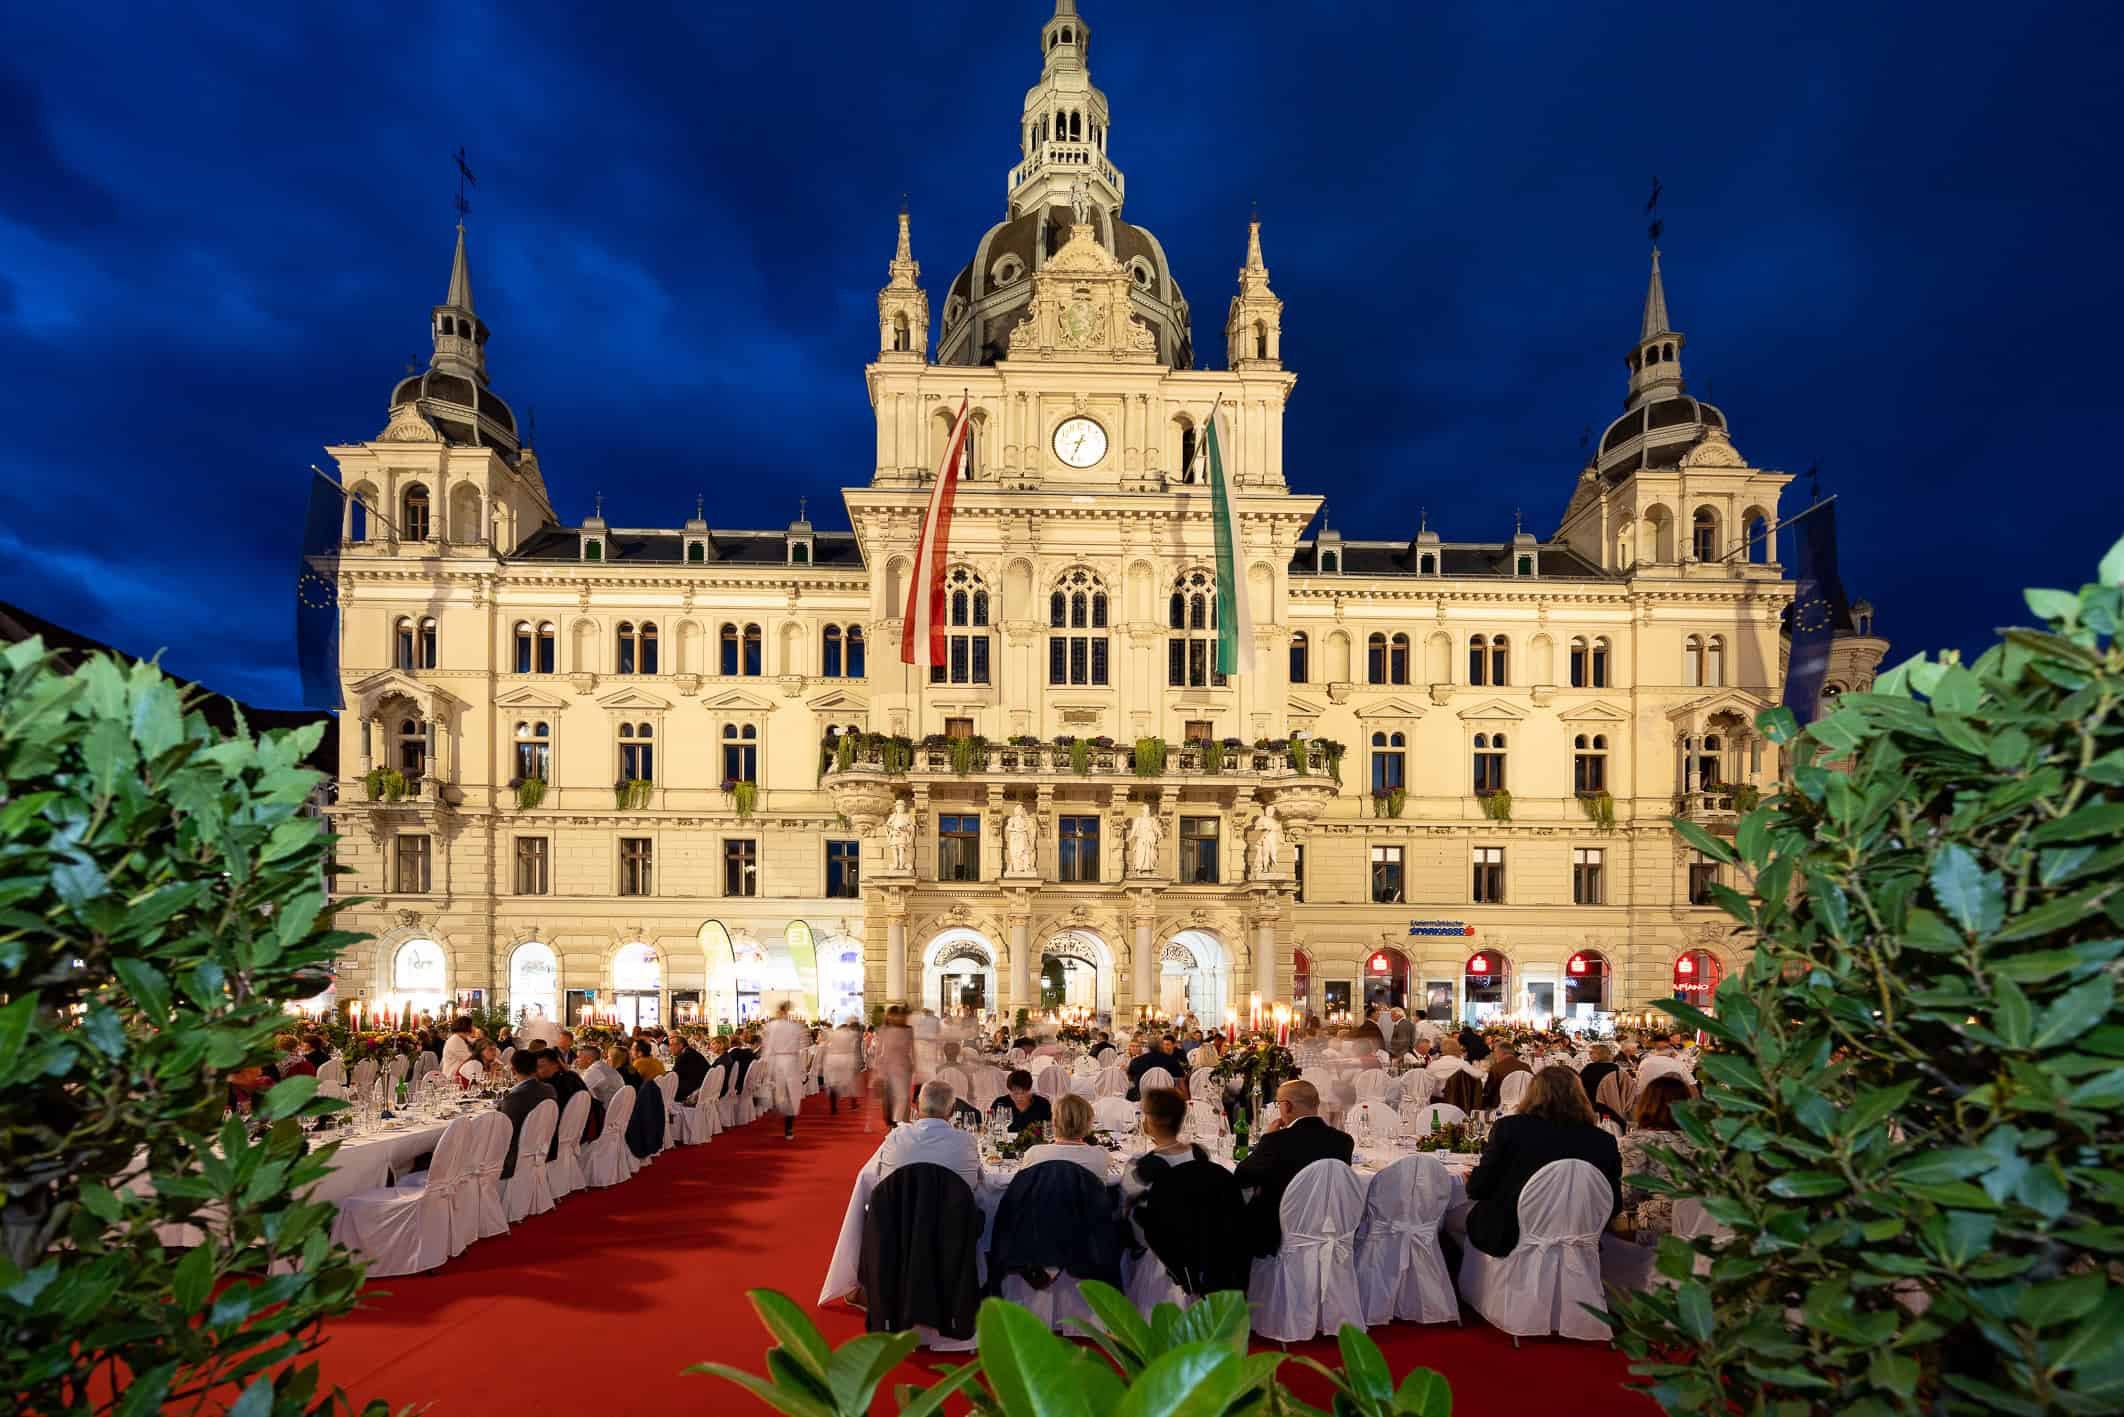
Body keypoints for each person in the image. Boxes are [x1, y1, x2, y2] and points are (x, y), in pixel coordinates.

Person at [1463, 1066, 1623, 1259]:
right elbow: (1613, 1204)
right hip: (1577, 1237)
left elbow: (1478, 1189)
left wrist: (1472, 1181)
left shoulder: (1509, 1129)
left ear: (1532, 1095)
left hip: (1512, 1236)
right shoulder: (1604, 1141)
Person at [1233, 1079, 1354, 1256]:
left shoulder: (1276, 1141)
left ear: (1287, 1106)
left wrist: (1266, 1139)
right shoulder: (1343, 1141)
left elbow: (1242, 1177)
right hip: (1327, 1224)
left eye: (1278, 1104)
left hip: (1279, 1229)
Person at [1618, 1075, 1695, 1241]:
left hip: (1656, 1228)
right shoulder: (1701, 1140)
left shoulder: (1638, 1141)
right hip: (1699, 1225)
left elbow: (1629, 1195)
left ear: (1647, 1104)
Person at [876, 1079, 982, 1193]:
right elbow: (976, 1183)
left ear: (917, 1106)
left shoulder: (895, 1138)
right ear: (952, 1110)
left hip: (899, 1204)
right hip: (954, 1204)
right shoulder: (966, 1142)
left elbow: (879, 1182)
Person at [495, 1049, 558, 1182]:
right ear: (536, 1068)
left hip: (515, 1156)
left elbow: (503, 1132)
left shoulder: (514, 1098)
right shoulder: (549, 1089)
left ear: (513, 1071)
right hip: (541, 1148)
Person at [1017, 1094, 1110, 1181]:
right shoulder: (1100, 1155)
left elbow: (1022, 1185)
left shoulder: (1034, 1154)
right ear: (1088, 1124)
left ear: (1054, 1122)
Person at [762, 1001, 808, 1139]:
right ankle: (789, 1127)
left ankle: (780, 1115)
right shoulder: (795, 1027)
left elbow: (768, 1046)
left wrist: (766, 1063)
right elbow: (803, 1046)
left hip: (778, 1061)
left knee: (780, 1093)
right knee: (791, 1095)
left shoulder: (772, 1026)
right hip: (791, 1061)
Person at [534, 1048, 587, 1157]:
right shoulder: (572, 1077)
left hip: (553, 1141)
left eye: (540, 1066)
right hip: (576, 1134)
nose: (536, 1071)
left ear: (555, 1065)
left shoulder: (552, 1086)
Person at [874, 1005, 915, 1128]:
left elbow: (913, 1049)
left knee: (903, 1096)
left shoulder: (909, 1030)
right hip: (888, 1066)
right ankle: (896, 1122)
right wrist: (879, 1070)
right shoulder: (884, 1030)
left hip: (904, 1066)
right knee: (895, 1096)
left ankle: (900, 1122)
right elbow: (878, 1051)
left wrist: (914, 1065)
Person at [989, 1069, 1054, 1134]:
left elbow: (1049, 1130)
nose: (1019, 1097)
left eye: (1023, 1093)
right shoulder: (1000, 1103)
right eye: (1015, 1093)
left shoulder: (1043, 1104)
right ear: (1009, 1090)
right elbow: (991, 1128)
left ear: (1029, 1089)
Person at [824, 1017, 865, 1114]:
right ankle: (853, 1104)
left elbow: (826, 1041)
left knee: (833, 1084)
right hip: (846, 1059)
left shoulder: (833, 1034)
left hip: (832, 1060)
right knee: (851, 1083)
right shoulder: (850, 1034)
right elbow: (858, 1039)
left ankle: (833, 1107)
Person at [1481, 1042, 1530, 1111]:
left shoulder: (1496, 1068)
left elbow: (1488, 1091)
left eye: (1495, 1053)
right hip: (1523, 1105)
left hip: (1500, 1107)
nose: (1494, 1056)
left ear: (1500, 1053)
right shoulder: (1526, 1067)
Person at [1579, 1044, 1622, 1120]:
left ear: (1600, 1054)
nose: (1589, 1055)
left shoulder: (1590, 1068)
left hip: (1593, 1102)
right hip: (1611, 1102)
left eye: (1592, 1053)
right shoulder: (1615, 1067)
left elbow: (1579, 1084)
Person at [670, 1034, 710, 1102]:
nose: (670, 1048)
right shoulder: (692, 1052)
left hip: (692, 1092)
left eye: (672, 1045)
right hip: (702, 1087)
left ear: (681, 1045)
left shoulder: (683, 1056)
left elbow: (673, 1075)